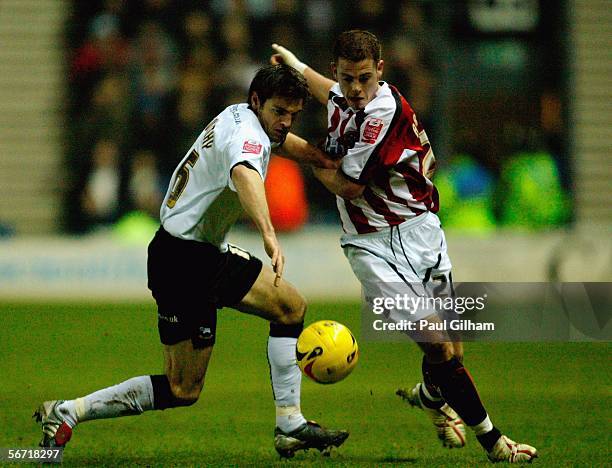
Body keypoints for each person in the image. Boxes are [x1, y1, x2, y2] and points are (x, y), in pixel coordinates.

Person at [34, 64, 348, 459]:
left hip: (202, 253)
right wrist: (268, 231)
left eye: (292, 115)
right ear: (257, 102)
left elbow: (278, 143)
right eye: (279, 112)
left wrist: (317, 156)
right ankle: (68, 411)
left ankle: (290, 423)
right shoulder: (247, 138)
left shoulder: (242, 116)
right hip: (181, 262)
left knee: (290, 307)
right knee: (182, 389)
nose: (285, 122)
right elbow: (245, 172)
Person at [271, 30, 538, 463]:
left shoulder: (381, 113)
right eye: (346, 79)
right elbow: (330, 95)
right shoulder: (347, 94)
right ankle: (495, 442)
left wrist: (289, 146)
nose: (355, 90)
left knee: (453, 347)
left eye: (363, 78)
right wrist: (298, 65)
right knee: (437, 345)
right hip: (372, 244)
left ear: (380, 71)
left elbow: (348, 185)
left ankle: (432, 399)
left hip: (421, 231)